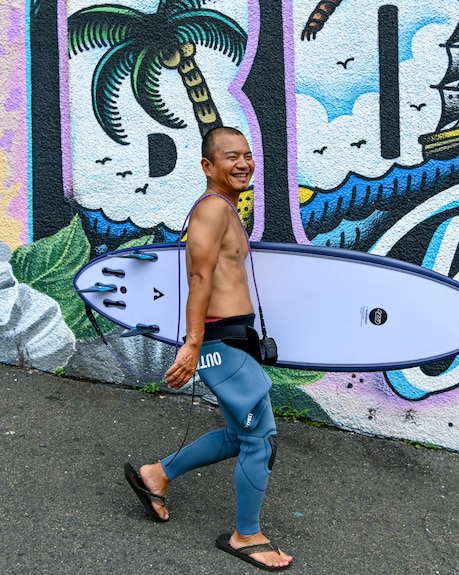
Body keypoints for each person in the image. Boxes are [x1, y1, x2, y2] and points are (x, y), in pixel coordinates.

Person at [123, 127, 293, 571]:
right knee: (261, 439)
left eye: (248, 155)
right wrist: (193, 345)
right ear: (207, 166)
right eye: (231, 157)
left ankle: (155, 475)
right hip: (219, 339)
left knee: (240, 435)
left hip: (235, 336)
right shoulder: (212, 210)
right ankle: (246, 535)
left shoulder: (227, 210)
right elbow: (198, 279)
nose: (243, 164)